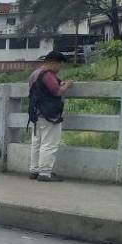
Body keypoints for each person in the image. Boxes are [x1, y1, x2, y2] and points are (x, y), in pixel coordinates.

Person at [28, 51, 73, 182]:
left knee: (36, 143)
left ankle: (34, 170)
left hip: (36, 113)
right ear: (53, 62)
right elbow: (56, 91)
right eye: (60, 65)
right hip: (49, 114)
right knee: (49, 144)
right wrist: (67, 85)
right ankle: (45, 173)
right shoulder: (47, 74)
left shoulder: (35, 74)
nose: (60, 68)